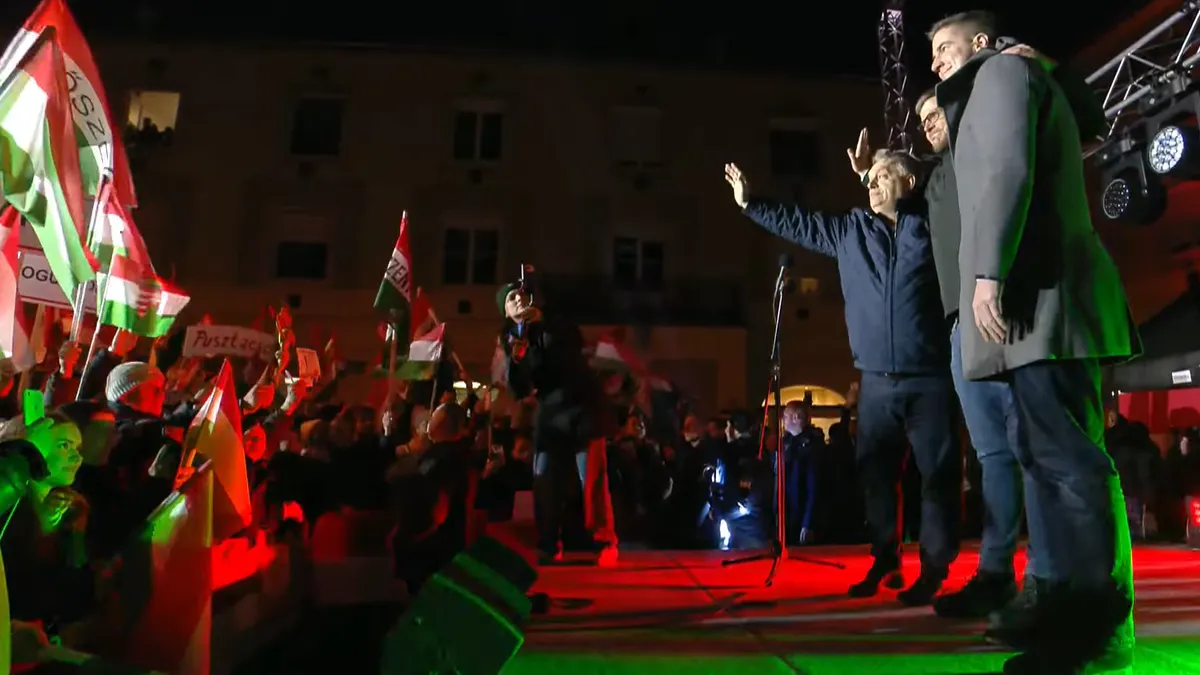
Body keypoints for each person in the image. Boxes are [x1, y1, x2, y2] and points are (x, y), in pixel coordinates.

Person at [930, 10, 1140, 674]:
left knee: (1068, 462)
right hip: (1034, 310)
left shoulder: (1001, 72)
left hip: (1042, 302)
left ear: (981, 42)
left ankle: (1099, 626)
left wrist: (987, 273)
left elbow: (1007, 171)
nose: (935, 61)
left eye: (944, 46)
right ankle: (1065, 609)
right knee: (1046, 459)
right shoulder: (998, 84)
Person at [726, 154, 961, 606]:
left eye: (884, 176)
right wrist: (751, 203)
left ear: (909, 181)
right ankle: (886, 559)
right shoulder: (851, 230)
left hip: (930, 377)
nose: (872, 184)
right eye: (870, 178)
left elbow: (958, 192)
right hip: (876, 380)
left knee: (938, 477)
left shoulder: (933, 225)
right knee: (876, 476)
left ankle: (934, 569)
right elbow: (800, 224)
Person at [496, 280, 618, 566]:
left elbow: (572, 347)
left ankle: (604, 541)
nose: (518, 300)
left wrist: (543, 322)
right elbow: (519, 388)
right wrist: (516, 359)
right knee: (545, 479)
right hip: (552, 415)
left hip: (583, 408)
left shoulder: (553, 321)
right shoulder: (511, 337)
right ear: (505, 311)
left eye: (521, 295)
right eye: (511, 298)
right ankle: (548, 543)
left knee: (592, 481)